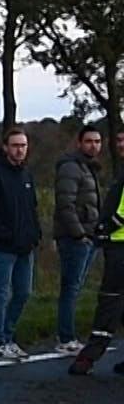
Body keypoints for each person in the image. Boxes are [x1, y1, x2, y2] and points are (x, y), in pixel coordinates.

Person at [0, 128, 42, 360]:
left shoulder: (26, 176)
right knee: (1, 293)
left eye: (23, 145)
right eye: (15, 145)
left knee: (24, 292)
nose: (20, 150)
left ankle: (9, 334)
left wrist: (35, 234)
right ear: (5, 147)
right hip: (3, 247)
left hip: (26, 246)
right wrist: (4, 233)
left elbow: (32, 208)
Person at [70, 131, 124, 376]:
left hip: (120, 246)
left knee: (109, 301)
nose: (120, 145)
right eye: (119, 139)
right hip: (116, 244)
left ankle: (89, 357)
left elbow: (121, 212)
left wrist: (104, 227)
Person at [53, 126, 104, 353]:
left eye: (97, 141)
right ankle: (65, 338)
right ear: (79, 143)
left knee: (76, 287)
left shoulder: (88, 168)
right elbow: (66, 203)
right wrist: (79, 234)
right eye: (89, 141)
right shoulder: (72, 167)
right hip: (75, 238)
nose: (94, 145)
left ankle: (68, 335)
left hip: (89, 235)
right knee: (71, 288)